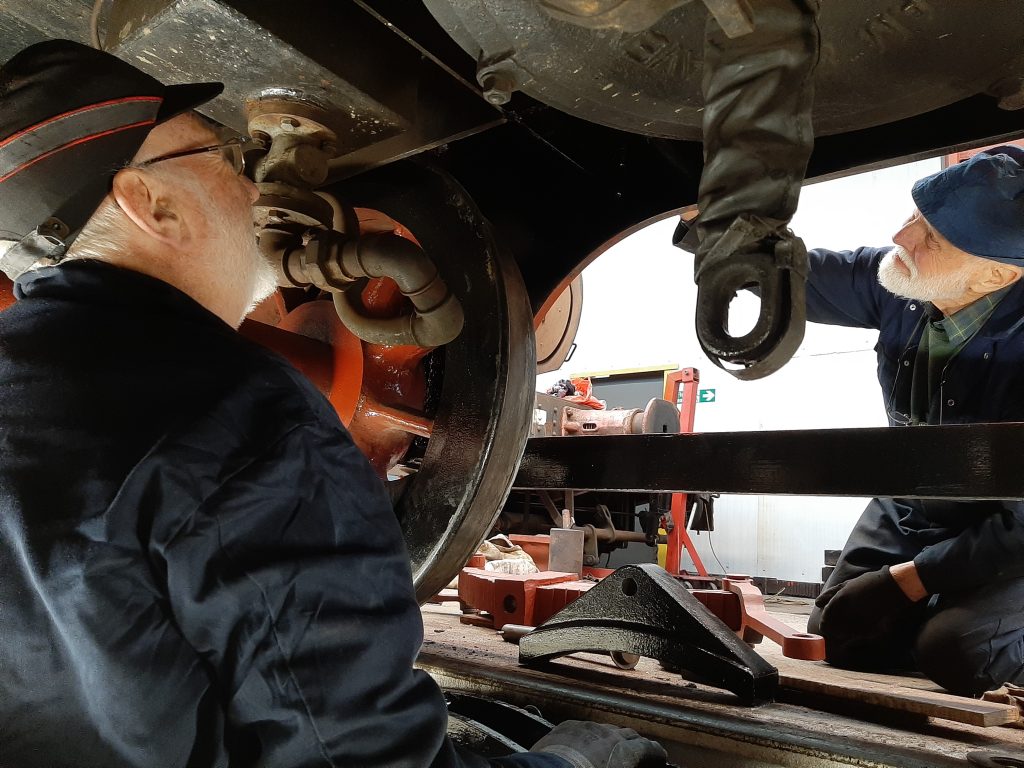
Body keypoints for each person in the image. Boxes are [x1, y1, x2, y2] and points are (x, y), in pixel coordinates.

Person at [0, 40, 668, 767]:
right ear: (151, 203)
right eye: (224, 158)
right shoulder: (240, 414)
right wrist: (569, 763)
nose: (251, 188)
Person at [799, 145, 1024, 696]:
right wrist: (712, 222)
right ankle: (946, 615)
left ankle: (954, 622)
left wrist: (911, 580)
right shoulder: (906, 283)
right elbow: (792, 274)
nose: (902, 236)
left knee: (961, 650)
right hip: (913, 501)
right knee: (840, 632)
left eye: (932, 238)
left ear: (996, 272)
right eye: (915, 216)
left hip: (1010, 524)